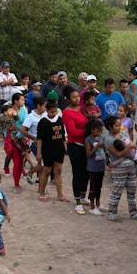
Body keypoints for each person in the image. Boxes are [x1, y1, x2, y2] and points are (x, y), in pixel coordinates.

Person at [103, 115, 137, 222]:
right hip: (119, 168)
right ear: (110, 127)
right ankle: (112, 213)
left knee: (132, 190)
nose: (119, 127)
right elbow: (118, 154)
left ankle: (134, 213)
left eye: (119, 125)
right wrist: (130, 148)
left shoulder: (121, 134)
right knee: (117, 191)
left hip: (130, 165)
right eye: (116, 126)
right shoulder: (109, 139)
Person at [62, 87, 88, 215]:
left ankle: (83, 196)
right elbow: (73, 132)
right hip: (75, 146)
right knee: (77, 173)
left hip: (86, 145)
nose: (77, 99)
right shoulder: (66, 113)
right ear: (68, 98)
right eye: (74, 97)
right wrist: (88, 131)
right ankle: (77, 202)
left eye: (78, 96)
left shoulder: (82, 109)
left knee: (86, 172)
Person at [36, 100, 68, 203]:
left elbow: (63, 136)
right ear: (47, 110)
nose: (54, 113)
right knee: (46, 171)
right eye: (51, 111)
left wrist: (65, 147)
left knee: (58, 172)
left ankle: (60, 195)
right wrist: (39, 153)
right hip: (47, 150)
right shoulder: (43, 122)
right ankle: (42, 193)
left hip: (59, 149)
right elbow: (40, 139)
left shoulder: (59, 119)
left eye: (55, 111)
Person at [84, 119, 106, 215]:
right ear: (92, 130)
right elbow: (88, 154)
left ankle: (98, 204)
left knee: (99, 186)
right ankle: (92, 206)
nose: (99, 132)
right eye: (98, 130)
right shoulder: (88, 139)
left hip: (101, 166)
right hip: (93, 167)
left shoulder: (101, 137)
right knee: (93, 187)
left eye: (101, 130)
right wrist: (96, 147)